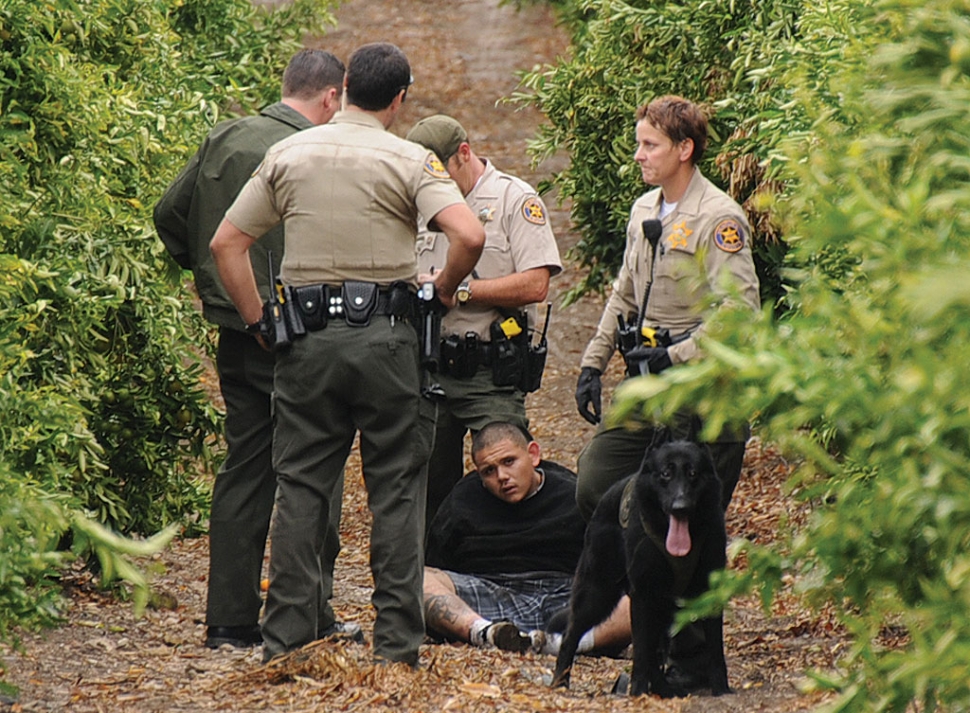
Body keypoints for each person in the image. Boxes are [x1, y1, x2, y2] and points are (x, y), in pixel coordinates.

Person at [209, 42, 485, 667]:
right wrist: (441, 292)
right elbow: (469, 234)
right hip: (388, 339)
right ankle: (395, 650)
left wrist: (259, 321)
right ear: (398, 99)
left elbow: (228, 242)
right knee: (395, 490)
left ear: (345, 86)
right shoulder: (411, 158)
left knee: (301, 485)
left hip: (306, 340)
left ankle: (285, 644)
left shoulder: (288, 152)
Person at [152, 49, 350, 650]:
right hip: (304, 330)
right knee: (315, 465)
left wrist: (217, 288)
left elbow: (169, 215)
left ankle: (228, 619)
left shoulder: (226, 136)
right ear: (331, 97)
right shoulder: (314, 151)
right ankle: (310, 612)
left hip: (237, 330)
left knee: (245, 466)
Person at [573, 94, 760, 690]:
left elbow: (739, 313)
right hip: (648, 385)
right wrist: (592, 361)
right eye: (639, 143)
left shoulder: (718, 217)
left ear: (685, 149)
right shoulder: (644, 208)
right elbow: (624, 291)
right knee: (596, 482)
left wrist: (676, 353)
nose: (639, 155)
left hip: (707, 390)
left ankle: (688, 658)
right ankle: (647, 612)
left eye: (650, 145)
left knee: (697, 526)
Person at [405, 115, 563, 529]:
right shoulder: (421, 205)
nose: (434, 185)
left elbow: (536, 284)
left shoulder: (514, 199)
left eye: (440, 173)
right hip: (429, 364)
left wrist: (458, 290)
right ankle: (432, 580)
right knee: (426, 488)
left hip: (489, 369)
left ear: (464, 154)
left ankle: (516, 567)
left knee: (510, 477)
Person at [423, 421, 630, 655]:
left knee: (641, 597)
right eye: (489, 471)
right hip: (493, 593)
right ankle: (484, 633)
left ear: (533, 454)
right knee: (415, 579)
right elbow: (437, 563)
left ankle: (567, 644)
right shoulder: (463, 501)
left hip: (566, 595)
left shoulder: (572, 494)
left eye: (509, 462)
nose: (502, 476)